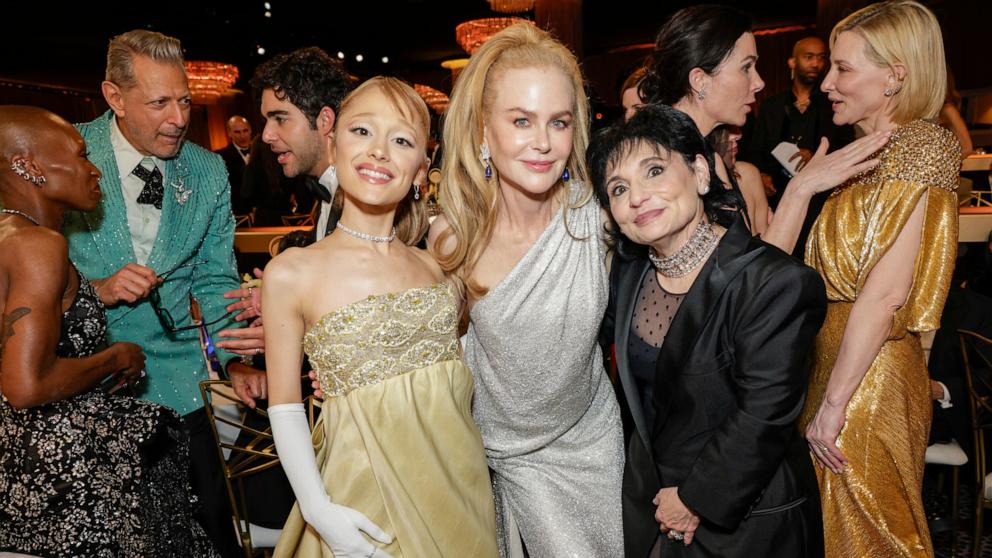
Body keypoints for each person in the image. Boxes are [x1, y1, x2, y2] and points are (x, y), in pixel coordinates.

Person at [263, 76, 498, 558]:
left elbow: (456, 383)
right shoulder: (291, 272)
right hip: (361, 496)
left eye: (402, 140)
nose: (379, 152)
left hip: (459, 489)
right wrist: (316, 508)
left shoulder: (437, 268)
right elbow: (284, 405)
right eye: (363, 131)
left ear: (420, 170)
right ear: (333, 142)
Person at [594, 102, 826, 558]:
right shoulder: (628, 274)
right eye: (618, 188)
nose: (637, 196)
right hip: (655, 509)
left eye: (655, 171)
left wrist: (694, 499)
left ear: (700, 172)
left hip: (746, 519)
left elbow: (763, 414)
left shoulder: (775, 282)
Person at [61, 29, 262, 556]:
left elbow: (215, 279)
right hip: (83, 384)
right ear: (114, 97)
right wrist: (91, 291)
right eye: (159, 103)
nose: (178, 118)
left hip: (178, 381)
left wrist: (234, 360)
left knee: (208, 529)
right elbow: (15, 264)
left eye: (185, 100)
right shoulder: (63, 151)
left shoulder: (207, 168)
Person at [431, 23, 624, 557]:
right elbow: (430, 351)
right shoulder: (455, 234)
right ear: (483, 130)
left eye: (558, 122)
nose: (543, 143)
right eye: (521, 120)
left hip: (592, 442)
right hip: (499, 452)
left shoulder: (599, 218)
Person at [0, 105, 217, 557]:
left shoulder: (11, 237)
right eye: (80, 156)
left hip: (17, 469)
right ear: (27, 166)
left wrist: (96, 294)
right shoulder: (41, 246)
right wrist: (116, 357)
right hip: (62, 476)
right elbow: (24, 385)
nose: (94, 168)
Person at [798, 2, 961, 556]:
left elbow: (890, 293)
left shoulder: (921, 144)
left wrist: (835, 404)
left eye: (843, 69)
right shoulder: (865, 156)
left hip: (864, 383)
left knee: (874, 539)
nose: (825, 83)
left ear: (897, 74)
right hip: (843, 367)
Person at [639, 5, 889, 255]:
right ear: (700, 80)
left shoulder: (710, 157)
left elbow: (752, 271)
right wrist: (800, 188)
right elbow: (729, 284)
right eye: (746, 68)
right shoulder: (658, 163)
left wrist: (801, 188)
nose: (759, 83)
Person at [738, 36, 854, 256]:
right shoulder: (772, 106)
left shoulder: (834, 106)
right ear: (792, 62)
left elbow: (847, 148)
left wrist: (820, 158)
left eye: (821, 57)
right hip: (778, 201)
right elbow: (755, 149)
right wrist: (761, 175)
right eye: (808, 57)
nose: (815, 63)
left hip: (822, 205)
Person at [251, 46, 355, 242]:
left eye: (280, 119)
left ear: (324, 120)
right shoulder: (327, 189)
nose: (266, 136)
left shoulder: (363, 204)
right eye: (266, 121)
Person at [711, 125, 771, 235]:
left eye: (736, 128)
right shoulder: (694, 185)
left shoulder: (747, 174)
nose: (738, 136)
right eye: (725, 129)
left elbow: (765, 241)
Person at [215, 115, 253, 215]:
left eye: (245, 130)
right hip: (237, 214)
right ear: (229, 133)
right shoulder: (220, 157)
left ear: (250, 130)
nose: (242, 136)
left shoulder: (263, 153)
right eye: (237, 132)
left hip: (263, 213)